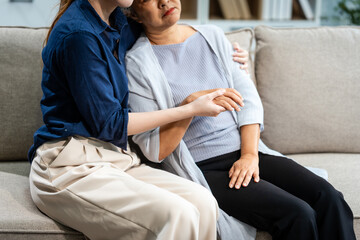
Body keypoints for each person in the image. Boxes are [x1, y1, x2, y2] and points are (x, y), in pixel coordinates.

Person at [126, 0, 357, 240]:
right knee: (298, 214)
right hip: (203, 167)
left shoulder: (212, 37)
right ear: (134, 15)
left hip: (247, 151)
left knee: (329, 197)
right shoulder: (137, 65)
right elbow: (154, 151)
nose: (164, 1)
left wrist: (249, 155)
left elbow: (247, 99)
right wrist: (189, 107)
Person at [27, 0, 251, 239]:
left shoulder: (119, 21)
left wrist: (229, 56)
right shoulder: (79, 35)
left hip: (116, 158)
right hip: (69, 166)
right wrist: (188, 108)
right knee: (179, 214)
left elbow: (167, 27)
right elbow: (111, 125)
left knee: (204, 202)